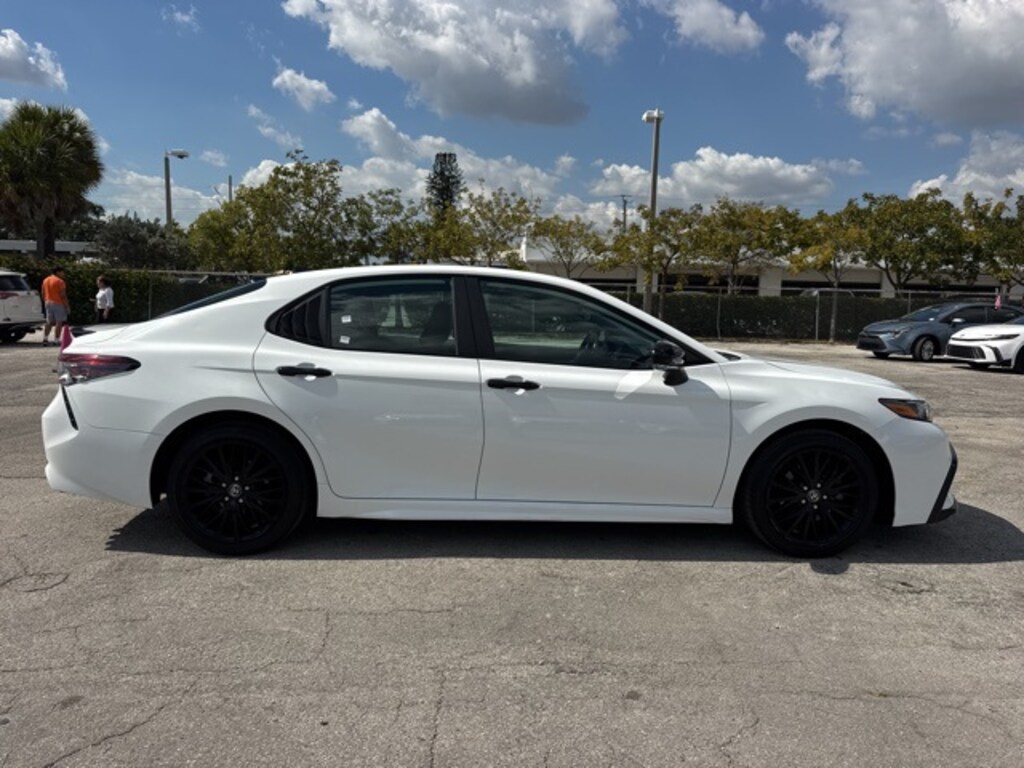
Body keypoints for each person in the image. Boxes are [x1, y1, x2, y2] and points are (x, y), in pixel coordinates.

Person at [41, 266, 70, 346]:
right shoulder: (60, 281)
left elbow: (43, 292)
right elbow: (63, 295)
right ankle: (56, 340)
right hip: (58, 302)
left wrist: (45, 300)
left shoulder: (46, 280)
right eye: (62, 272)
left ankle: (45, 338)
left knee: (49, 321)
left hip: (48, 302)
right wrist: (67, 306)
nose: (63, 274)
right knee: (59, 322)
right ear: (58, 272)